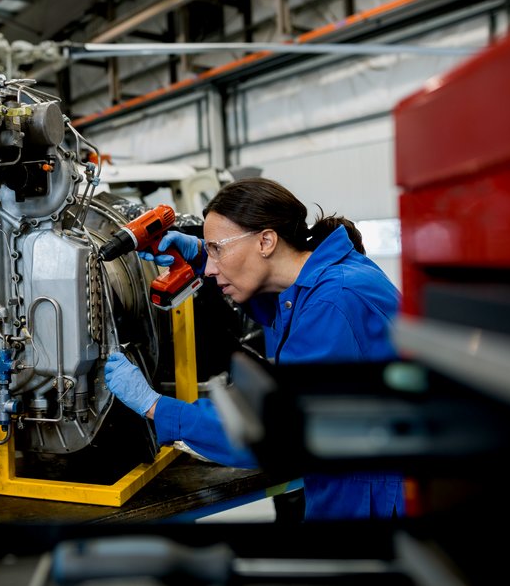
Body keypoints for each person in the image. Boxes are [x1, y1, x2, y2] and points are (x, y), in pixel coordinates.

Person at [105, 177, 404, 521]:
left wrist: (155, 406)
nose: (213, 267)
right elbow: (280, 310)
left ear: (266, 241)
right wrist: (200, 256)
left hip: (375, 498)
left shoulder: (333, 301)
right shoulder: (328, 276)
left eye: (218, 248)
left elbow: (275, 433)